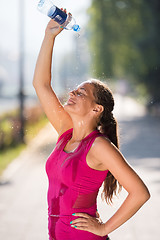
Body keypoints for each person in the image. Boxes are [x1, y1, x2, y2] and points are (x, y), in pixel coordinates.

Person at [33, 10, 150, 240]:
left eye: (81, 92)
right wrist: (49, 36)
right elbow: (41, 85)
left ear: (97, 109)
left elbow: (140, 193)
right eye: (75, 90)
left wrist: (104, 228)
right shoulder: (66, 135)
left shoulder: (98, 147)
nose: (72, 93)